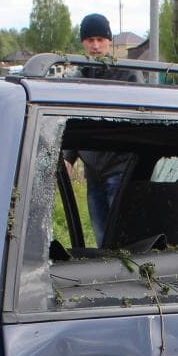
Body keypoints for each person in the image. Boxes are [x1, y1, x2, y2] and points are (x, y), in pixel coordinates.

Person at [67, 14, 137, 245]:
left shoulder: (127, 77)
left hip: (120, 170)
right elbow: (74, 122)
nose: (95, 46)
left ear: (109, 41)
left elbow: (140, 121)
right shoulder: (77, 79)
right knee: (101, 238)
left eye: (100, 39)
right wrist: (69, 157)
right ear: (82, 43)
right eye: (89, 40)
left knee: (122, 238)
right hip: (93, 173)